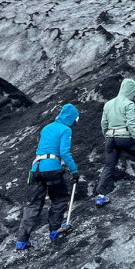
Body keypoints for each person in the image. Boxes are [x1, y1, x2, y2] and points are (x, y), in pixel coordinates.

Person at [15, 103, 79, 250]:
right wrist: (74, 171)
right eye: (75, 120)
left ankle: (22, 241)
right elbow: (64, 153)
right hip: (52, 168)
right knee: (60, 197)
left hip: (36, 168)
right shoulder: (66, 129)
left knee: (34, 204)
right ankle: (55, 230)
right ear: (71, 118)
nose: (75, 124)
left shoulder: (46, 127)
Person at [94, 78, 135, 206]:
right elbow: (131, 123)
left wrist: (107, 136)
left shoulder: (108, 104)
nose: (134, 95)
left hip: (110, 138)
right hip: (124, 138)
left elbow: (103, 123)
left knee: (109, 166)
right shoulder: (128, 104)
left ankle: (101, 195)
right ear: (130, 90)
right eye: (133, 92)